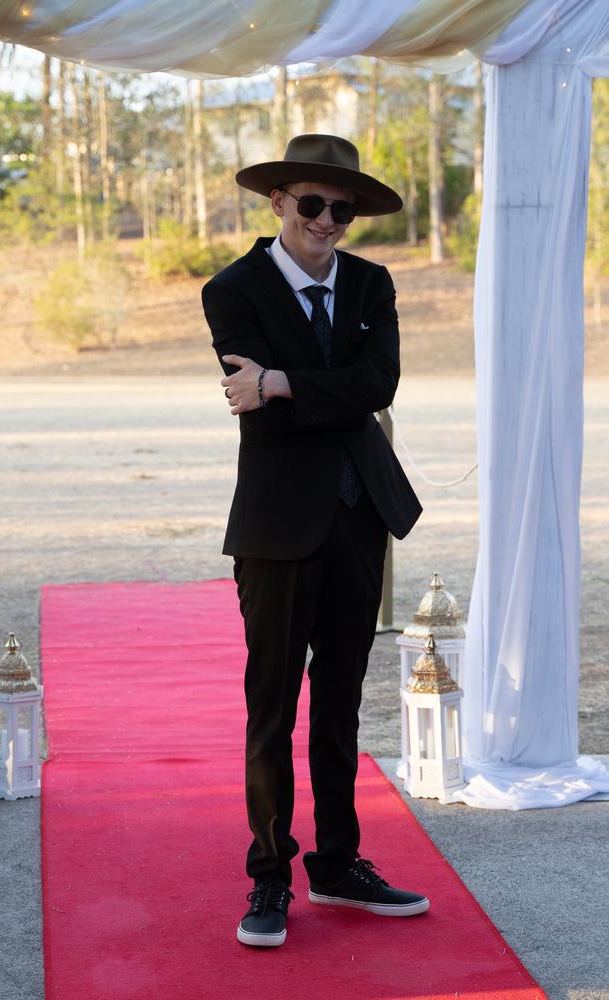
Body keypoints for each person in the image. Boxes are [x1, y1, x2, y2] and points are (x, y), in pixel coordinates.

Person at [201, 133, 429, 948]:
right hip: (276, 524)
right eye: (312, 204)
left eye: (343, 209)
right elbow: (252, 395)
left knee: (339, 704)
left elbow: (380, 385)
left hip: (359, 515)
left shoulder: (371, 282)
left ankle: (339, 865)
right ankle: (270, 878)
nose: (329, 221)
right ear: (278, 203)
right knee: (272, 707)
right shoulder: (232, 291)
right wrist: (287, 390)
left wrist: (284, 383)